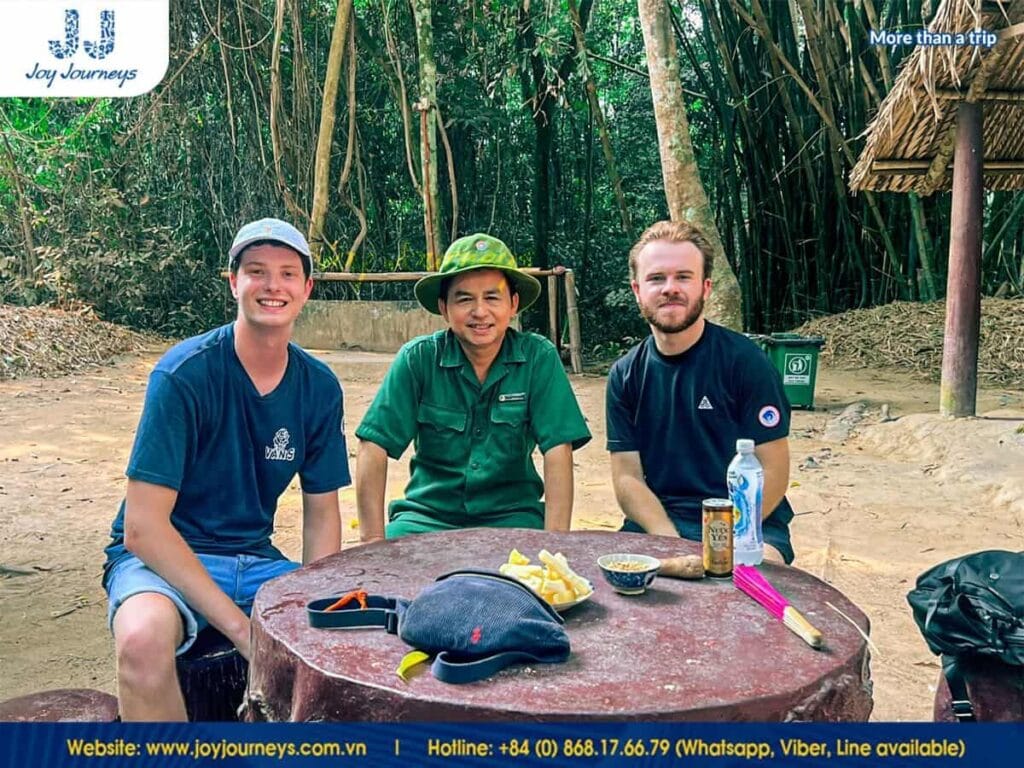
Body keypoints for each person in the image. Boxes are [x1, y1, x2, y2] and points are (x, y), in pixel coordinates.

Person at [102, 218, 351, 721]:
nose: (272, 286)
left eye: (287, 273)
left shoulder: (319, 387)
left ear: (306, 289)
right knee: (141, 642)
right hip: (164, 560)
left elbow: (322, 513)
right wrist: (245, 631)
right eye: (256, 271)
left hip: (255, 560)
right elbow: (144, 529)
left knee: (349, 639)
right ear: (233, 281)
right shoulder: (183, 375)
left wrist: (315, 600)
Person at [355, 233, 591, 540]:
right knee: (389, 581)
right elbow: (373, 445)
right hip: (426, 517)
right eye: (465, 299)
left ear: (513, 304)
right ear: (444, 307)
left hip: (514, 517)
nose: (480, 312)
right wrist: (372, 543)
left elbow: (558, 449)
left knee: (529, 583)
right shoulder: (419, 359)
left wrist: (556, 542)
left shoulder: (537, 358)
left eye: (492, 297)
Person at [606, 220, 795, 563]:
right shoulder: (625, 374)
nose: (669, 288)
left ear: (705, 287)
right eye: (656, 278)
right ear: (637, 290)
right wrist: (671, 543)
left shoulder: (746, 362)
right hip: (661, 520)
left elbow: (773, 469)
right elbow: (627, 477)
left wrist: (722, 543)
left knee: (753, 585)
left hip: (748, 522)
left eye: (683, 276)